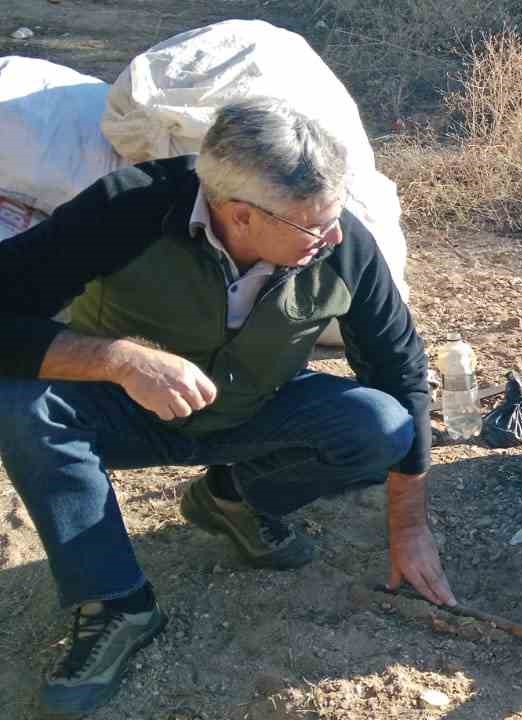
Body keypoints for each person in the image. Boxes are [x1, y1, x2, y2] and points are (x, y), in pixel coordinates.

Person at [0, 99, 453, 718]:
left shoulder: (341, 245)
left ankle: (234, 497)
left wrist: (409, 528)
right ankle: (115, 602)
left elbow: (400, 368)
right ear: (240, 214)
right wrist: (120, 362)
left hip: (251, 415)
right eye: (313, 225)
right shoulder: (127, 208)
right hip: (125, 413)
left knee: (381, 426)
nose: (335, 235)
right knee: (21, 399)